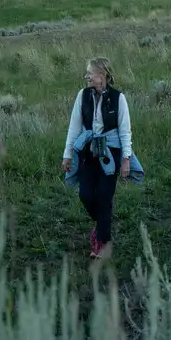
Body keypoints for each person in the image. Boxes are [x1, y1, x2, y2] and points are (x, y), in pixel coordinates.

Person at [62, 56, 144, 261]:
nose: (86, 76)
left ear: (102, 75)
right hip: (88, 152)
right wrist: (67, 154)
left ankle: (102, 242)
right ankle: (101, 224)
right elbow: (74, 127)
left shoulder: (119, 98)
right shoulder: (83, 95)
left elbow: (125, 131)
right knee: (86, 195)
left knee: (105, 197)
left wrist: (126, 159)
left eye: (90, 73)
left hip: (111, 152)